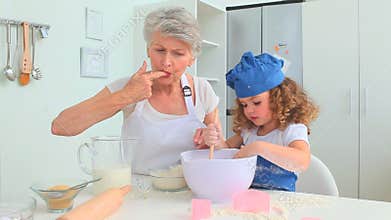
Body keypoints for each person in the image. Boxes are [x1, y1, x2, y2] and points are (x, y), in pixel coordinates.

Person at [51, 7, 220, 174]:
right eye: (159, 50)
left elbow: (221, 148)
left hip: (188, 190)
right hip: (139, 193)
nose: (166, 62)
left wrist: (210, 140)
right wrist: (127, 96)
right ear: (148, 50)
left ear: (192, 58)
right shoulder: (127, 86)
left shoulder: (202, 90)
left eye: (178, 53)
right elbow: (61, 126)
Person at [200, 51, 319, 191]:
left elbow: (302, 161)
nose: (249, 110)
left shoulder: (290, 129)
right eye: (244, 105)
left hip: (281, 203)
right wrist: (215, 140)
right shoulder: (249, 130)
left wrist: (258, 148)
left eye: (256, 103)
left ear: (278, 99)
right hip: (248, 200)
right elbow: (227, 151)